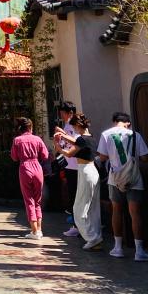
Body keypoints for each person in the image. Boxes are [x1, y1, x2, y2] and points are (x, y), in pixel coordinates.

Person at [97, 112, 148, 261]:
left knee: (116, 211)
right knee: (135, 213)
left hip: (114, 178)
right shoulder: (135, 135)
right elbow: (145, 157)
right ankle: (139, 251)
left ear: (114, 122)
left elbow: (102, 157)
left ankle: (118, 248)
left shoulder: (106, 134)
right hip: (134, 178)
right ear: (128, 123)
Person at [55, 114, 102, 250]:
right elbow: (76, 141)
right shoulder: (91, 137)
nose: (74, 130)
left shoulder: (81, 139)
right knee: (93, 208)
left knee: (79, 208)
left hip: (85, 172)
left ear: (77, 125)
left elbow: (70, 153)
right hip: (92, 171)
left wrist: (59, 148)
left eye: (74, 127)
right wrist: (63, 135)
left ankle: (92, 238)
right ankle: (96, 237)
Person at [10, 117, 48, 240]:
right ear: (30, 127)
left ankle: (34, 230)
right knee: (38, 200)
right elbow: (45, 155)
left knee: (29, 200)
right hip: (37, 168)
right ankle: (39, 230)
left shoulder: (17, 140)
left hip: (25, 168)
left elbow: (14, 157)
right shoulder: (38, 139)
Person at [55, 101, 81, 237]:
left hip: (76, 166)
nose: (61, 115)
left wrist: (63, 134)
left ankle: (78, 225)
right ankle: (76, 224)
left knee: (76, 196)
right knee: (73, 195)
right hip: (70, 165)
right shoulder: (67, 125)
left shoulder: (74, 125)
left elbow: (76, 142)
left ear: (70, 112)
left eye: (63, 113)